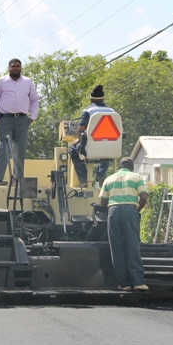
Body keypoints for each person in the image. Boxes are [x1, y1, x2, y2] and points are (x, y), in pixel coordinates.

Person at [99, 157, 149, 291]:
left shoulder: (109, 179)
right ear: (132, 167)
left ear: (119, 167)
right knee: (133, 246)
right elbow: (144, 197)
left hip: (113, 211)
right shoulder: (136, 177)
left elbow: (103, 202)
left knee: (117, 248)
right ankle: (138, 282)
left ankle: (123, 284)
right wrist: (137, 210)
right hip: (130, 210)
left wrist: (111, 210)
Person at [0, 58, 39, 185]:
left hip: (22, 119)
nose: (15, 68)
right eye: (13, 66)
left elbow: (34, 100)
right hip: (5, 119)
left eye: (18, 66)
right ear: (8, 67)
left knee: (20, 150)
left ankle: (18, 179)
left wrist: (32, 117)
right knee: (4, 148)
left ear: (21, 67)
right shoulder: (1, 82)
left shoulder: (28, 82)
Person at [70, 85, 114, 187]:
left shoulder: (88, 111)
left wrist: (79, 140)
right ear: (103, 99)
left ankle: (84, 181)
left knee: (72, 149)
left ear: (91, 99)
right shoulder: (112, 111)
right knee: (105, 154)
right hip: (109, 147)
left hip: (90, 147)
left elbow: (81, 129)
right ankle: (101, 179)